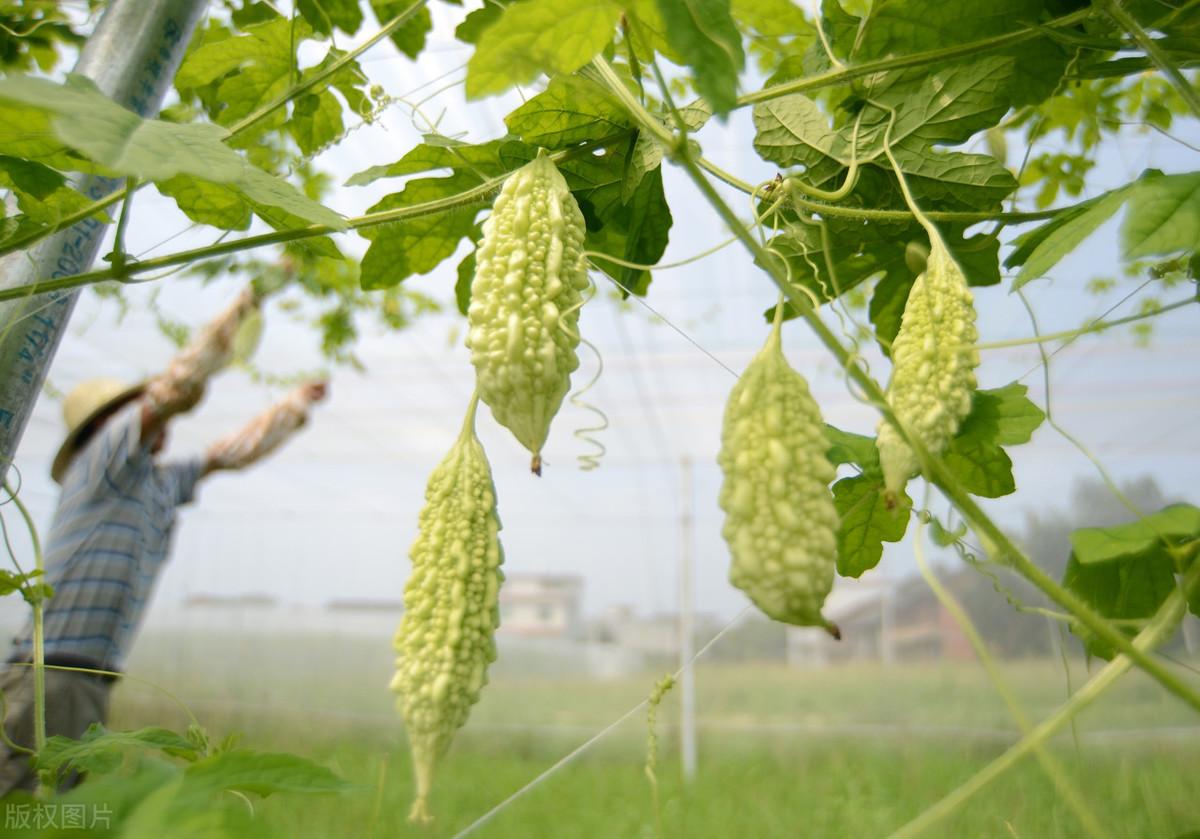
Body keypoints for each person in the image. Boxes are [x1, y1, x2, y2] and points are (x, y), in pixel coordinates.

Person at [0, 286, 328, 794]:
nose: (147, 416)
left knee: (66, 815)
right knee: (16, 804)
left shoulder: (156, 483)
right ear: (104, 425)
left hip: (90, 677)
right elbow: (175, 390)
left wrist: (293, 409)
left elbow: (228, 454)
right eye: (130, 409)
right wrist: (244, 307)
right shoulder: (100, 463)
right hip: (49, 673)